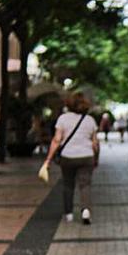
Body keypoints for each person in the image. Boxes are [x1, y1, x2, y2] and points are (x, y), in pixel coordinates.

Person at [44, 92, 100, 224]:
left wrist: (48, 159)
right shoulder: (90, 120)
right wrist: (96, 158)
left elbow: (57, 140)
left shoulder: (63, 119)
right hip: (87, 157)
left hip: (67, 157)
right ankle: (85, 211)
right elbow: (95, 143)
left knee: (68, 185)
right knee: (85, 185)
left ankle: (68, 214)